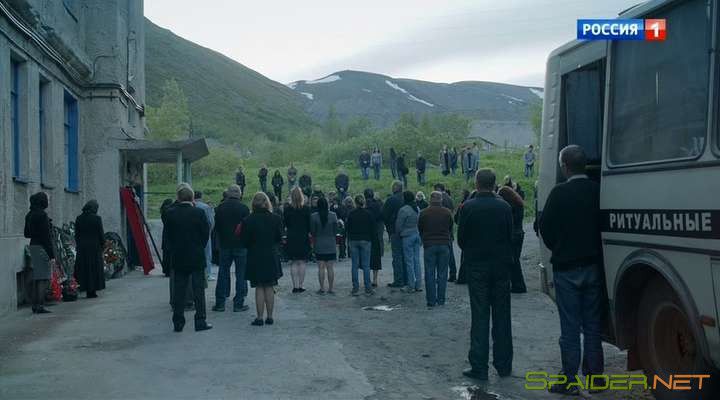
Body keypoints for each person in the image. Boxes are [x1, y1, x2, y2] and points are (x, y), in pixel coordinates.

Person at [539, 145, 603, 395]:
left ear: (565, 167)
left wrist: (559, 248)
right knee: (592, 325)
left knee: (570, 328)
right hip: (592, 266)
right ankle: (596, 379)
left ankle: (569, 380)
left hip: (566, 269)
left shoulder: (559, 193)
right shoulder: (597, 190)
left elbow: (545, 227)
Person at [457, 168, 514, 381]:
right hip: (501, 267)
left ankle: (479, 366)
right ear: (494, 183)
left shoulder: (468, 207)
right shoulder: (505, 207)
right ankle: (504, 364)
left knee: (479, 315)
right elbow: (510, 236)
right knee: (502, 315)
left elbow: (461, 239)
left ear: (476, 183)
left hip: (477, 266)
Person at [164, 185, 212, 332]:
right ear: (192, 198)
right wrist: (199, 246)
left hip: (178, 255)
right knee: (198, 290)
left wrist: (174, 249)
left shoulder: (170, 213)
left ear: (178, 198)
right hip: (196, 255)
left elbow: (167, 236)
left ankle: (178, 322)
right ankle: (200, 321)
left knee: (179, 290)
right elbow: (205, 234)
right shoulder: (199, 213)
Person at [241, 192, 283, 326]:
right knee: (269, 286)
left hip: (255, 256)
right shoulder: (275, 218)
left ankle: (259, 317)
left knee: (259, 287)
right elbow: (279, 238)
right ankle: (270, 316)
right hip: (271, 255)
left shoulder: (248, 220)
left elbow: (244, 241)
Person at [213, 185, 250, 312]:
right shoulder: (244, 208)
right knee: (241, 274)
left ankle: (220, 303)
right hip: (241, 245)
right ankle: (238, 303)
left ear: (228, 194)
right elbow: (247, 228)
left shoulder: (220, 208)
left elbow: (217, 227)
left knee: (223, 273)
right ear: (239, 194)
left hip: (225, 244)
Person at [419, 192, 453, 308]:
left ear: (430, 199)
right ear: (441, 199)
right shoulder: (447, 212)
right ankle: (441, 300)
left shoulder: (424, 213)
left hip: (429, 245)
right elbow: (450, 227)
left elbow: (420, 228)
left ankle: (431, 300)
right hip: (444, 244)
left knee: (429, 273)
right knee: (442, 273)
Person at [24, 192, 55, 314]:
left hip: (33, 245)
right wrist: (52, 255)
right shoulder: (42, 215)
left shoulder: (29, 214)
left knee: (37, 277)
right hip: (42, 247)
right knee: (43, 278)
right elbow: (47, 237)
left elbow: (26, 233)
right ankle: (40, 305)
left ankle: (35, 305)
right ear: (43, 201)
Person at [498, 179, 527, 293]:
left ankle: (518, 285)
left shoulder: (510, 207)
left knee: (513, 261)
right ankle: (517, 284)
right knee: (515, 261)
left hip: (513, 235)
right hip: (519, 234)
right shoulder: (519, 204)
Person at [73, 200, 106, 299]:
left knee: (84, 269)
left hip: (82, 248)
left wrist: (78, 245)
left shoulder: (79, 218)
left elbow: (77, 234)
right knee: (93, 269)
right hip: (94, 248)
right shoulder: (97, 218)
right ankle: (92, 290)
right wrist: (103, 244)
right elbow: (100, 233)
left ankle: (85, 288)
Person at [346, 195, 375, 296]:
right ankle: (368, 288)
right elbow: (372, 228)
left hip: (354, 240)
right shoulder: (368, 214)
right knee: (366, 265)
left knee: (354, 265)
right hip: (366, 240)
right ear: (364, 203)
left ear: (355, 202)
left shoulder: (351, 213)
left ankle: (355, 288)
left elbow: (347, 227)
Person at [284, 187, 311, 293]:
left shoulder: (287, 209)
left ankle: (295, 286)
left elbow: (286, 223)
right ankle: (300, 285)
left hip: (291, 237)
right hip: (303, 236)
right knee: (302, 262)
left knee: (294, 262)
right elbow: (309, 225)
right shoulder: (306, 209)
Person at [310, 197, 339, 295]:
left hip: (319, 244)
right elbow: (336, 230)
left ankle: (322, 288)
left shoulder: (314, 216)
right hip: (331, 244)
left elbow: (313, 232)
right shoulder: (333, 215)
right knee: (330, 268)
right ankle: (331, 288)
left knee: (321, 268)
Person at [396, 191, 422, 293]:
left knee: (409, 262)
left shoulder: (403, 210)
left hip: (407, 236)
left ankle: (411, 285)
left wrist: (398, 233)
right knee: (417, 261)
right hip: (416, 234)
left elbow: (399, 225)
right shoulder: (417, 208)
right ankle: (418, 285)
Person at [381, 181, 405, 288]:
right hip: (407, 231)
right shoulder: (406, 198)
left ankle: (399, 280)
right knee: (406, 256)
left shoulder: (391, 199)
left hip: (395, 230)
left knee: (397, 256)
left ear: (394, 188)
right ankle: (407, 279)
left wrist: (388, 226)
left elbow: (384, 214)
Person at [434, 183, 458, 282]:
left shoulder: (440, 199)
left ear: (438, 189)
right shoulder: (449, 198)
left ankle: (441, 276)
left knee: (439, 255)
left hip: (441, 230)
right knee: (450, 254)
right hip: (448, 230)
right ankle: (453, 273)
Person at [194, 191, 216, 281]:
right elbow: (211, 221)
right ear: (201, 196)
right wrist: (209, 232)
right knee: (207, 254)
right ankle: (207, 274)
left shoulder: (192, 205)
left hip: (193, 234)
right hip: (205, 233)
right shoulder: (206, 207)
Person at [364, 189, 383, 287]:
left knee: (366, 258)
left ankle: (367, 279)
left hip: (366, 234)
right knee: (375, 257)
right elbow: (381, 216)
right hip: (375, 233)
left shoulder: (364, 206)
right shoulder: (377, 205)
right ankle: (375, 279)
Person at [159, 199, 174, 277]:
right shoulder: (169, 211)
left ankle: (166, 270)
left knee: (166, 253)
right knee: (169, 254)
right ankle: (169, 270)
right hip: (170, 234)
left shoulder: (164, 211)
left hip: (165, 234)